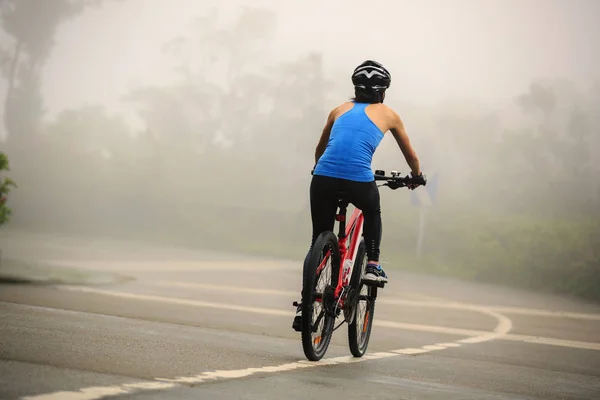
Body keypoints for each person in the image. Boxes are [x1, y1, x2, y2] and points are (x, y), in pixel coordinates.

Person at [292, 60, 423, 331]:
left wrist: (320, 168)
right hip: (358, 181)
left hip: (323, 178)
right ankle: (373, 264)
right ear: (382, 92)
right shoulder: (389, 114)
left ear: (356, 88)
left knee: (318, 239)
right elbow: (410, 155)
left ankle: (306, 306)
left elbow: (321, 149)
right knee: (372, 210)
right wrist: (416, 176)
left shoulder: (338, 109)